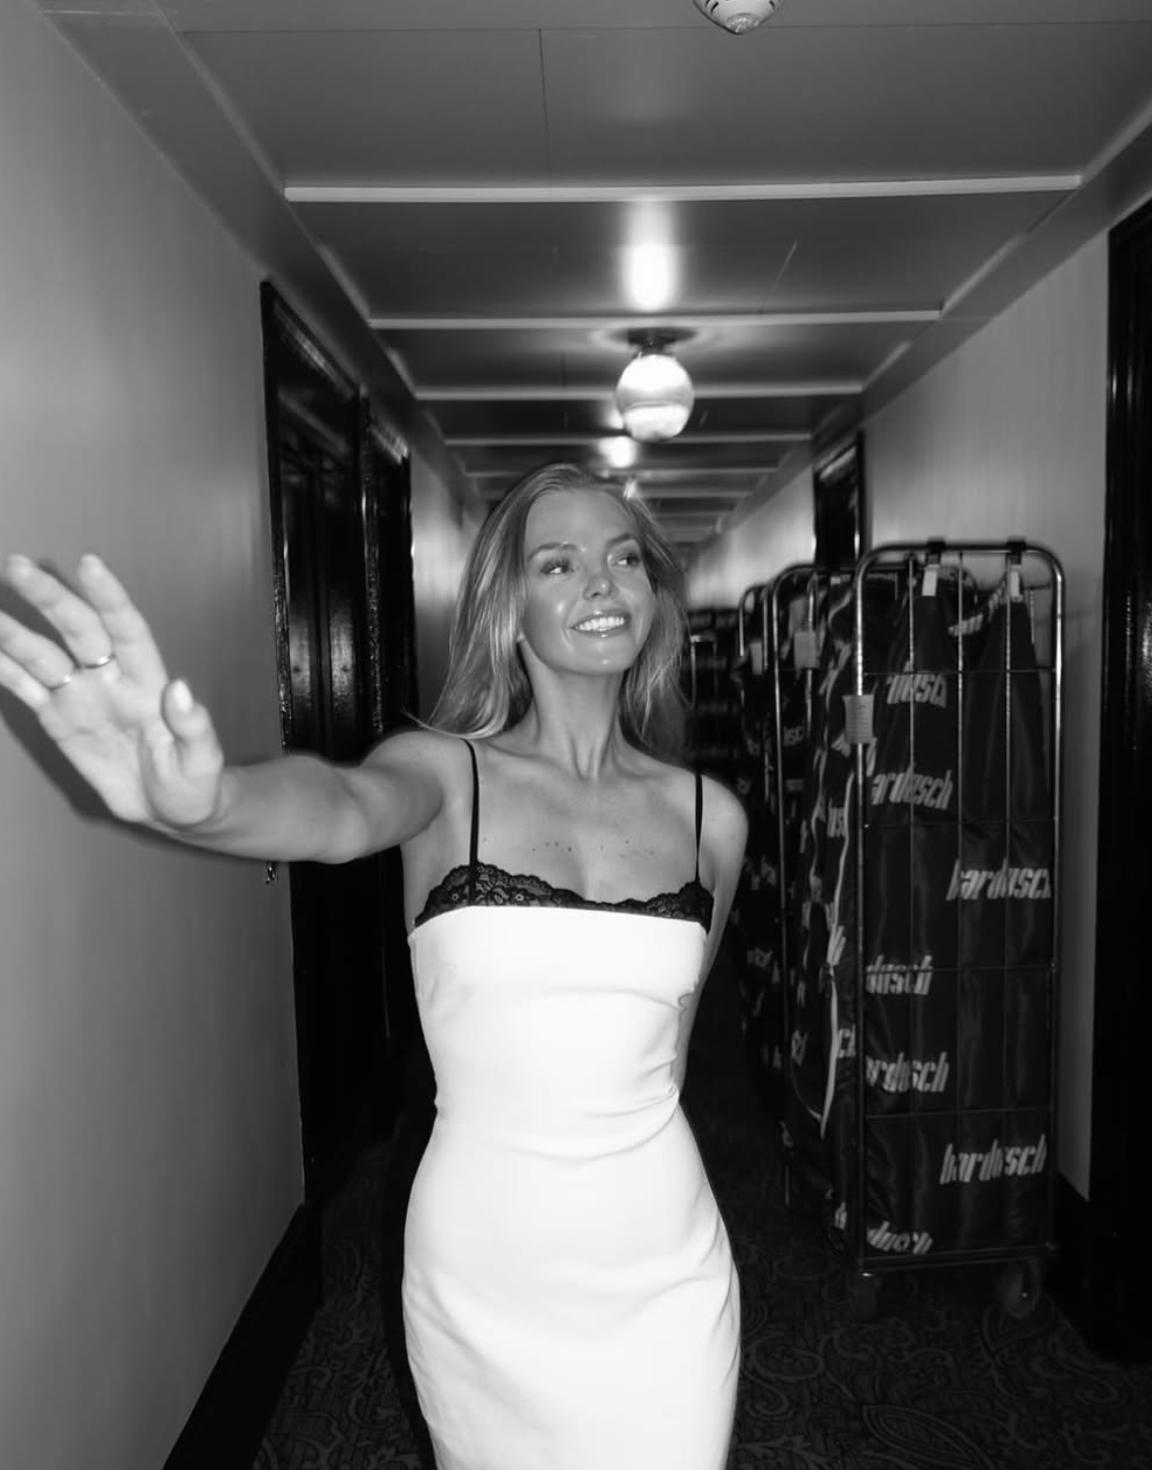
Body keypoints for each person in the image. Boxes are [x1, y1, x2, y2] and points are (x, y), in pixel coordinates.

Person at [0, 461, 747, 1470]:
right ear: (508, 610)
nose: (601, 584)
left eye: (623, 559)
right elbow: (341, 808)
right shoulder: (443, 776)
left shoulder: (712, 819)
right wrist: (210, 805)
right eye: (559, 563)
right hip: (485, 1275)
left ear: (653, 594)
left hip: (667, 1268)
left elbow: (670, 1059)